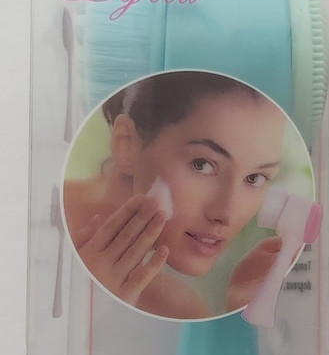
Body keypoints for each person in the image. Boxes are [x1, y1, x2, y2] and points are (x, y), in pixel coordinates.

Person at [63, 71, 287, 318]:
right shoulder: (41, 216)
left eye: (255, 178)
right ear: (127, 145)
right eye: (202, 164)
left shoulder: (179, 309)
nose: (226, 214)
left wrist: (239, 310)